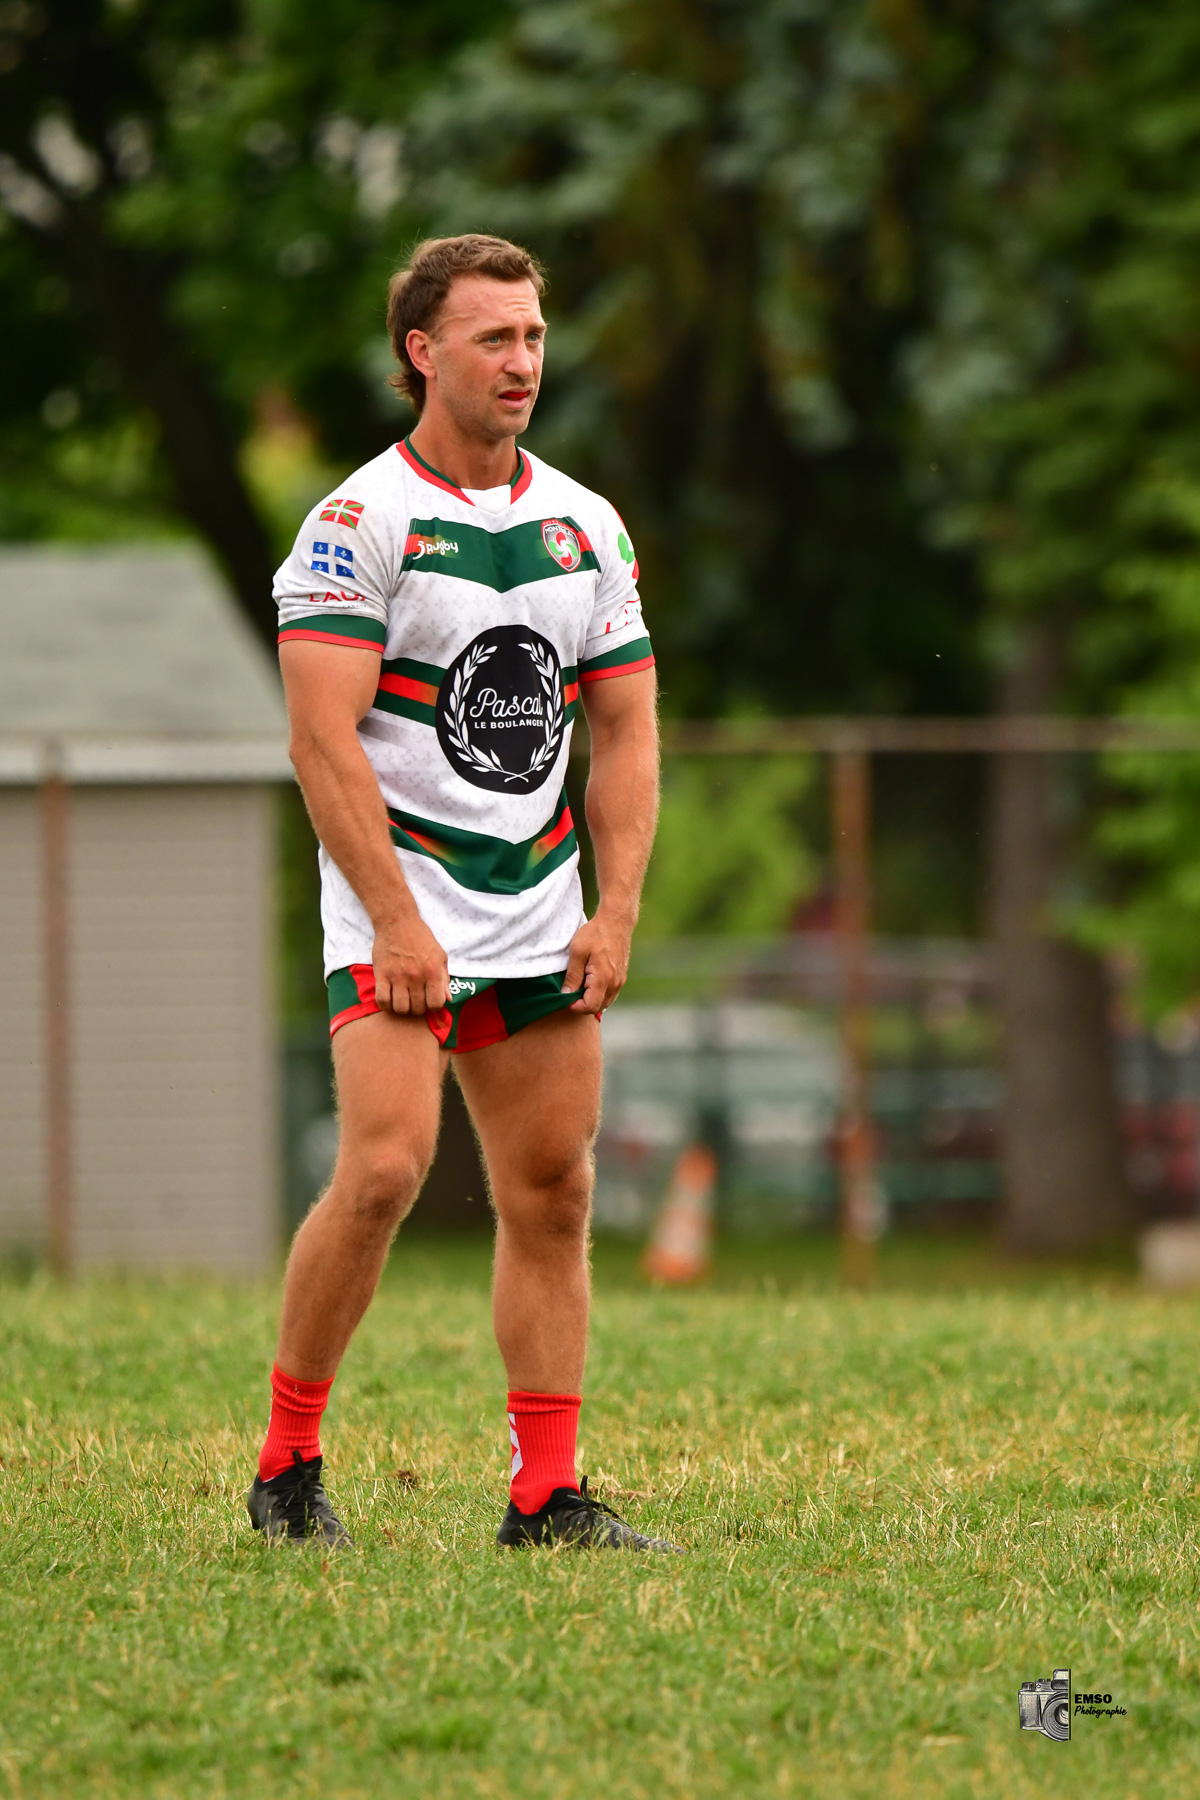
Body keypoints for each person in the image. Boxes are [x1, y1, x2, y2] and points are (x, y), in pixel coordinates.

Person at [248, 233, 679, 1552]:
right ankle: (287, 1464)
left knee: (551, 1191)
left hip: (542, 904)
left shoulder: (586, 525)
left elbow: (626, 734)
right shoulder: (356, 524)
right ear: (420, 353)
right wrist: (392, 917)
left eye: (536, 335)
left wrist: (614, 911)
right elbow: (320, 743)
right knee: (382, 1169)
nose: (523, 360)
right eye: (495, 337)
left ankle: (545, 1496)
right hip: (402, 898)